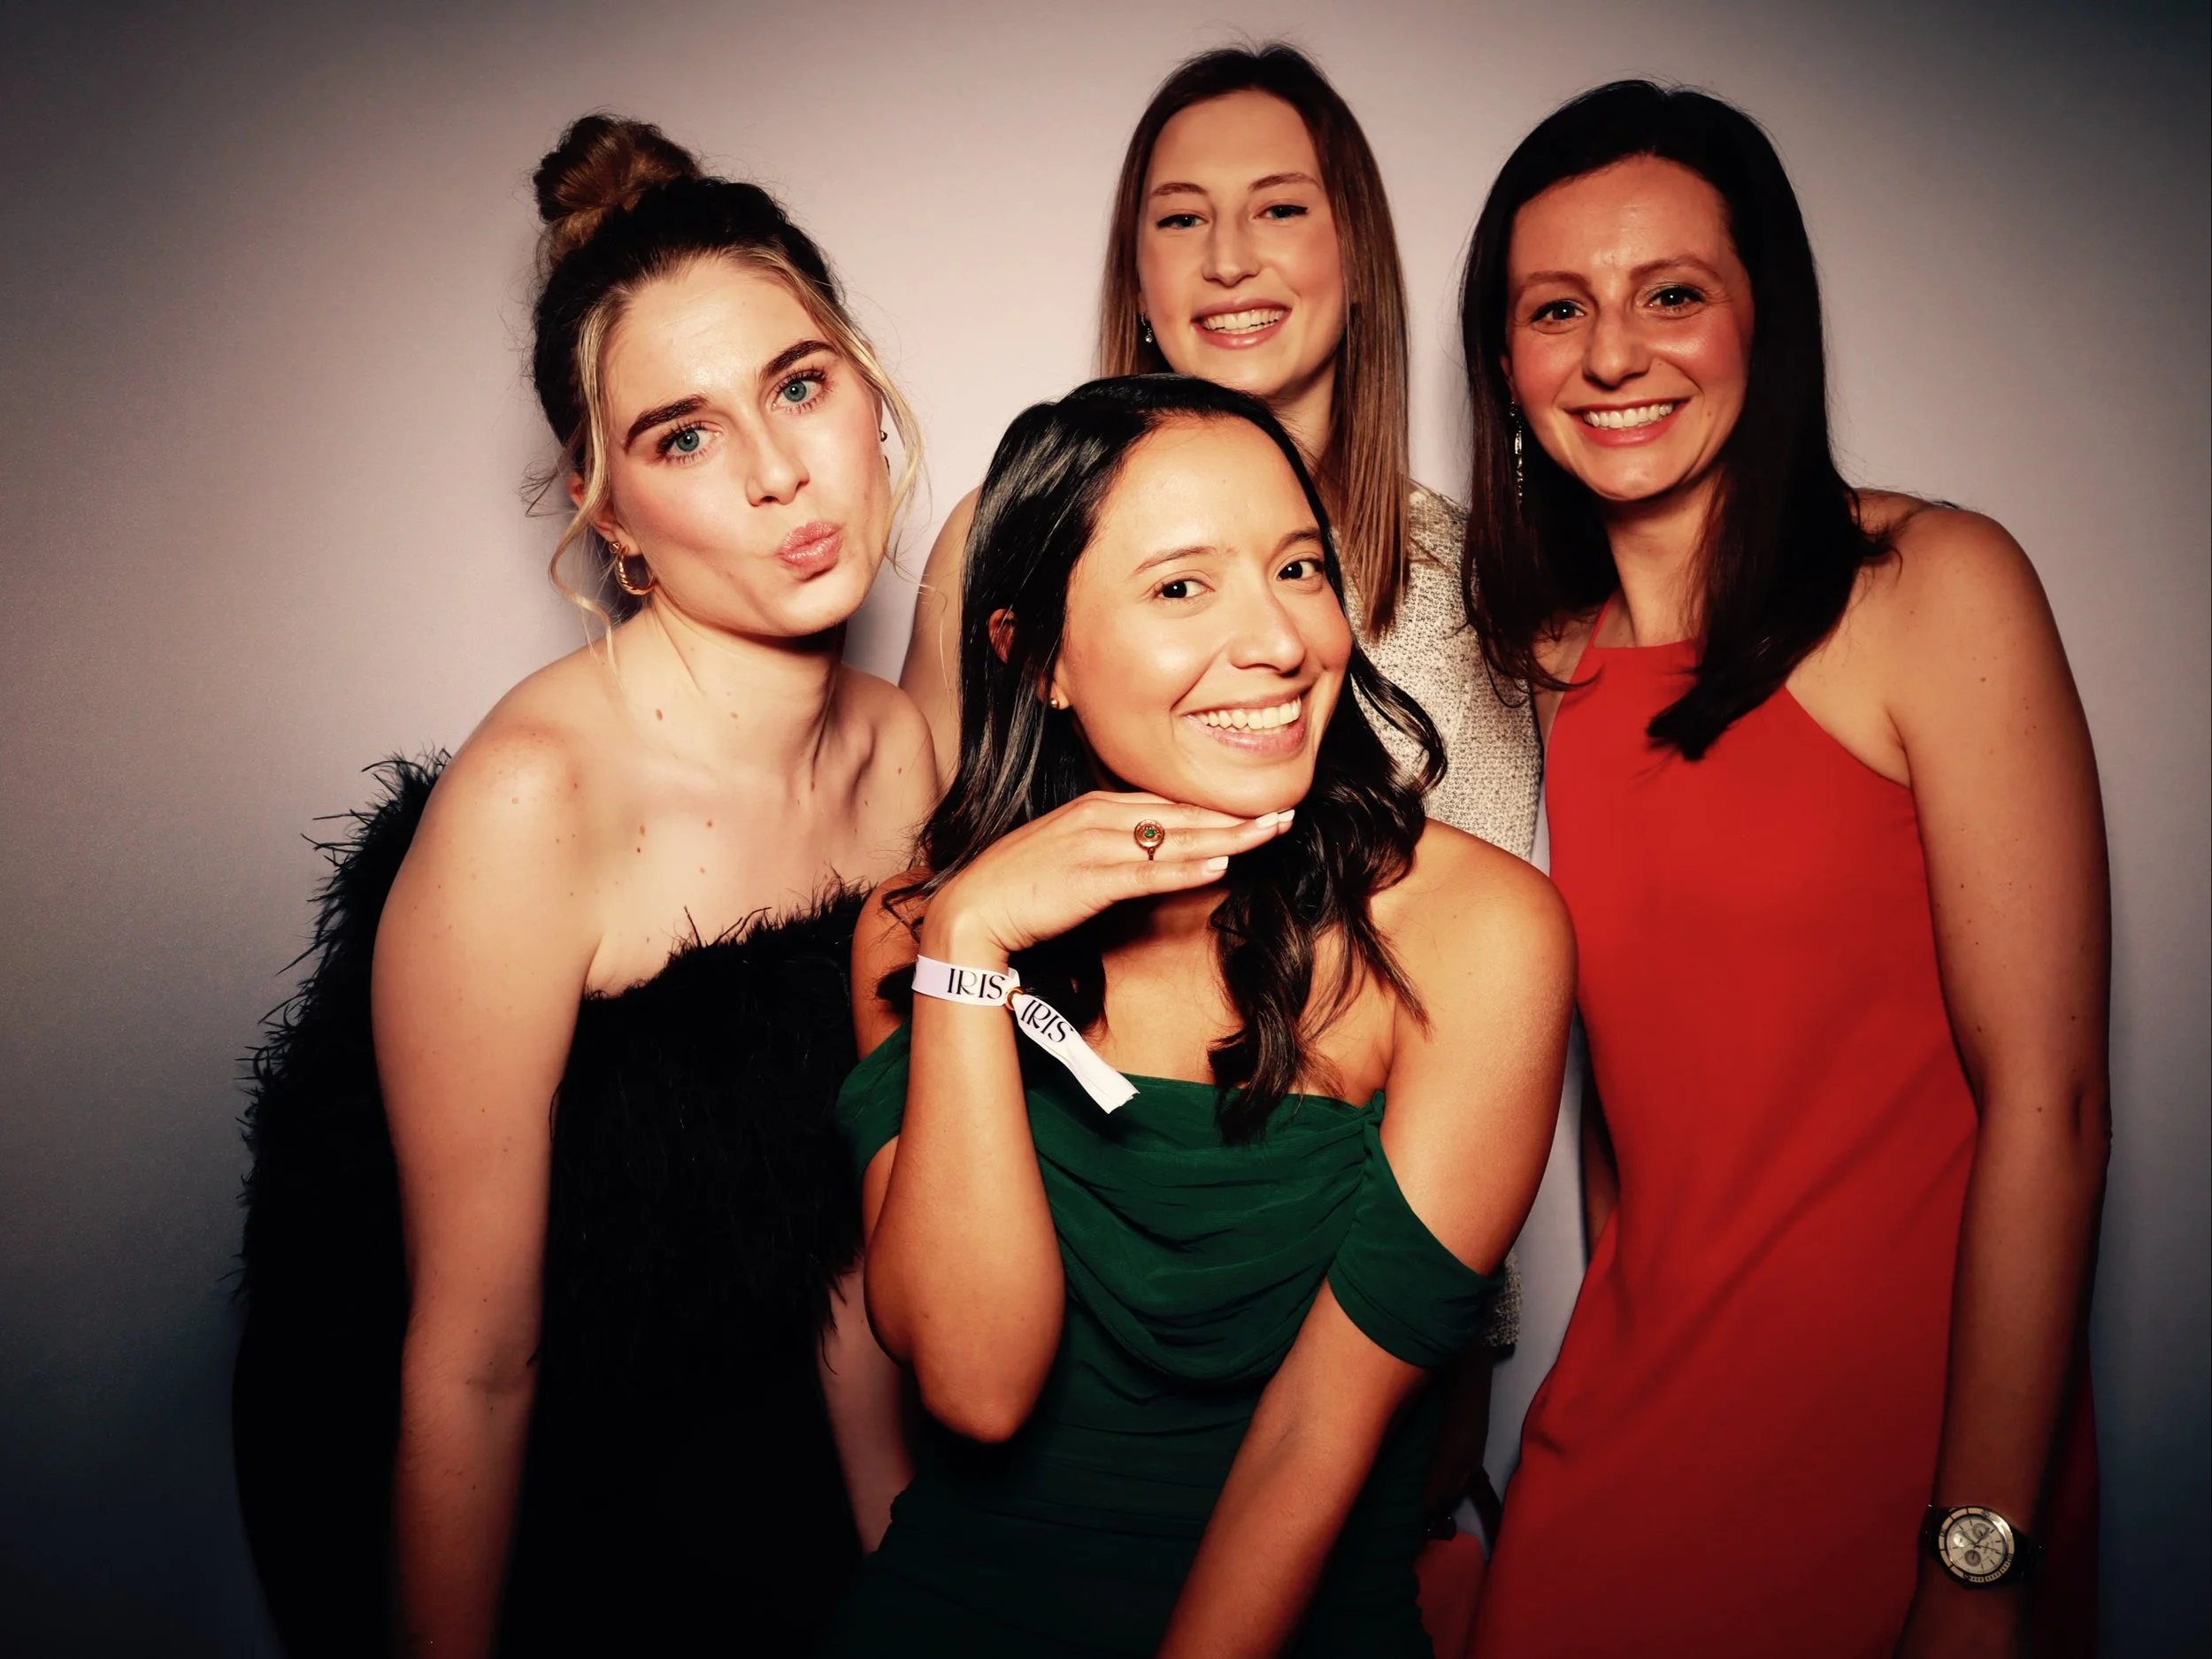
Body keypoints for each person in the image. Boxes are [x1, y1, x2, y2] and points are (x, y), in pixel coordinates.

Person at [232, 116, 928, 1657]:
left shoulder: (900, 758)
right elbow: (468, 1366)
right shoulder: (531, 804)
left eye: (798, 384)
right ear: (606, 507)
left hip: (747, 1427)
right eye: (684, 436)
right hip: (499, 1481)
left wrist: (912, 1581)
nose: (778, 472)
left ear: (867, 386)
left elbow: (839, 1231)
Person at [1457, 83, 2105, 1658]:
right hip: (1634, 1424)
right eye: (1558, 308)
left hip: (1908, 1461)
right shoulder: (1549, 668)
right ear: (1507, 363)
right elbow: (1641, 1111)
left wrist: (1978, 1556)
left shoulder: (1935, 587)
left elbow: (2054, 1101)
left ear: (1768, 320)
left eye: (1672, 294)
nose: (1614, 354)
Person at [896, 49, 1542, 1608]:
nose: (1232, 256)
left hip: (1378, 1246)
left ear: (1357, 252)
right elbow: (962, 851)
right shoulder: (1002, 543)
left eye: (1281, 208)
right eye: (1183, 217)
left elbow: (1480, 1002)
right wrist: (964, 939)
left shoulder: (1469, 586)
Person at [832, 374, 1572, 1658]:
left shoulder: (1477, 931)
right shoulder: (917, 933)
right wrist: (968, 946)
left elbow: (1314, 1435)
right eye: (1182, 587)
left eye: (1298, 568)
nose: (1280, 640)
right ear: (1038, 657)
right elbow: (976, 1384)